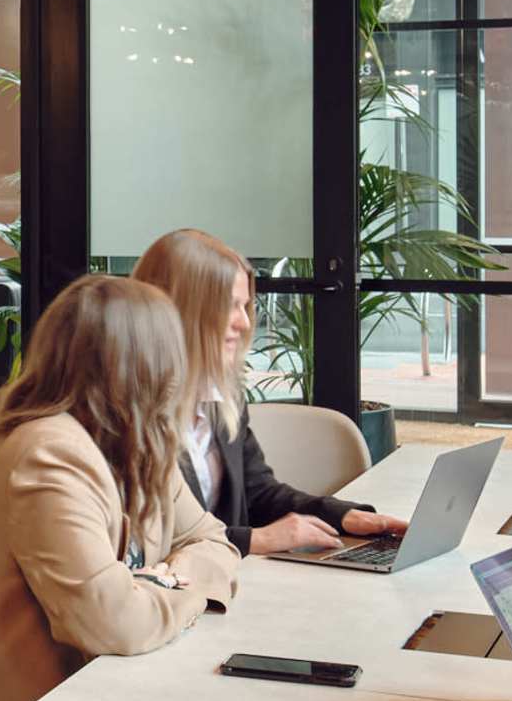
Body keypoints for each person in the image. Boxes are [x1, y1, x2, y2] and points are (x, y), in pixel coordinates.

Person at [0, 275, 240, 701]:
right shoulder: (50, 454)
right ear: (146, 365)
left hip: (92, 695)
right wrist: (182, 586)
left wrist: (155, 582)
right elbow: (114, 625)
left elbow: (212, 538)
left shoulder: (137, 441)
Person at [129, 228, 403, 557]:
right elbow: (146, 540)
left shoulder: (222, 397)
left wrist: (341, 515)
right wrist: (255, 541)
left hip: (233, 582)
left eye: (246, 306)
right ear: (186, 312)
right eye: (231, 306)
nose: (245, 323)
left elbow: (258, 493)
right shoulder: (126, 412)